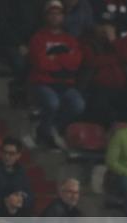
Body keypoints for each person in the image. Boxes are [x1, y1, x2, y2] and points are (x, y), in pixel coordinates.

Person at [27, 1, 86, 149]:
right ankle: (46, 131)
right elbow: (40, 63)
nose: (55, 17)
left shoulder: (70, 39)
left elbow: (76, 62)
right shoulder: (38, 38)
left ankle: (49, 128)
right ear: (46, 16)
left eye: (58, 14)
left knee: (78, 105)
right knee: (53, 103)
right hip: (43, 82)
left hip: (65, 83)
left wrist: (55, 59)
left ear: (63, 17)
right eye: (51, 14)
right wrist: (64, 60)